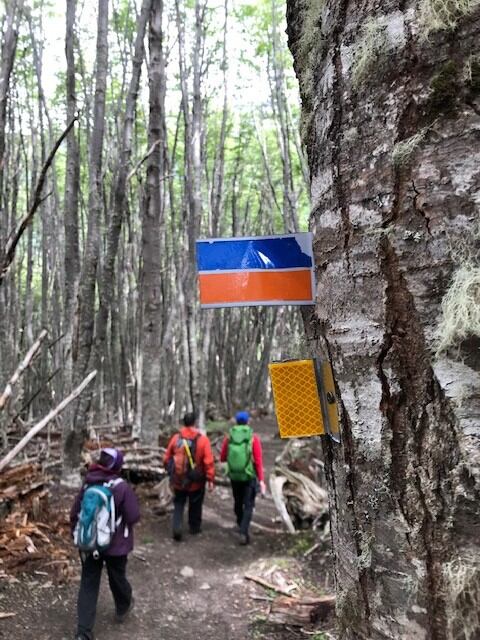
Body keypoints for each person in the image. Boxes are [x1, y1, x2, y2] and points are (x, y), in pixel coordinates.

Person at [70, 448, 140, 640]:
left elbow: (75, 512)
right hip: (116, 545)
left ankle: (83, 632)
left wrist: (77, 535)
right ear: (117, 466)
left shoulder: (88, 483)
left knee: (89, 583)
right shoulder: (121, 486)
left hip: (91, 543)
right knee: (117, 577)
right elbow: (133, 516)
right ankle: (123, 606)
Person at [164, 412, 215, 541]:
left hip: (178, 480)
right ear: (194, 423)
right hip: (196, 481)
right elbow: (208, 461)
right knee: (196, 503)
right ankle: (194, 527)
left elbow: (167, 458)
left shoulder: (176, 438)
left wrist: (170, 471)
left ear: (183, 423)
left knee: (179, 503)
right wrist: (210, 478)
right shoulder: (203, 440)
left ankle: (177, 527)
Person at [220, 410, 266, 545]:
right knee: (249, 505)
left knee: (237, 502)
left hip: (234, 476)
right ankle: (243, 532)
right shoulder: (253, 438)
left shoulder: (229, 437)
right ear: (247, 421)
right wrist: (261, 480)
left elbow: (223, 457)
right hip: (249, 475)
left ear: (236, 421)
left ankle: (240, 524)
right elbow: (258, 461)